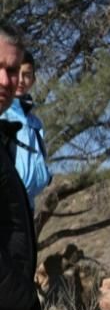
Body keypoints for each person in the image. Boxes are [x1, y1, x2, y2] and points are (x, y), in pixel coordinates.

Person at [0, 26, 53, 310]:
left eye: (16, 71)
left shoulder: (31, 122)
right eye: (2, 68)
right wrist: (19, 298)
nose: (9, 81)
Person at [0, 49, 52, 211]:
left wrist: (46, 176)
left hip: (28, 203)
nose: (21, 80)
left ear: (34, 80)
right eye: (17, 73)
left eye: (27, 75)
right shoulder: (3, 113)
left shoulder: (34, 122)